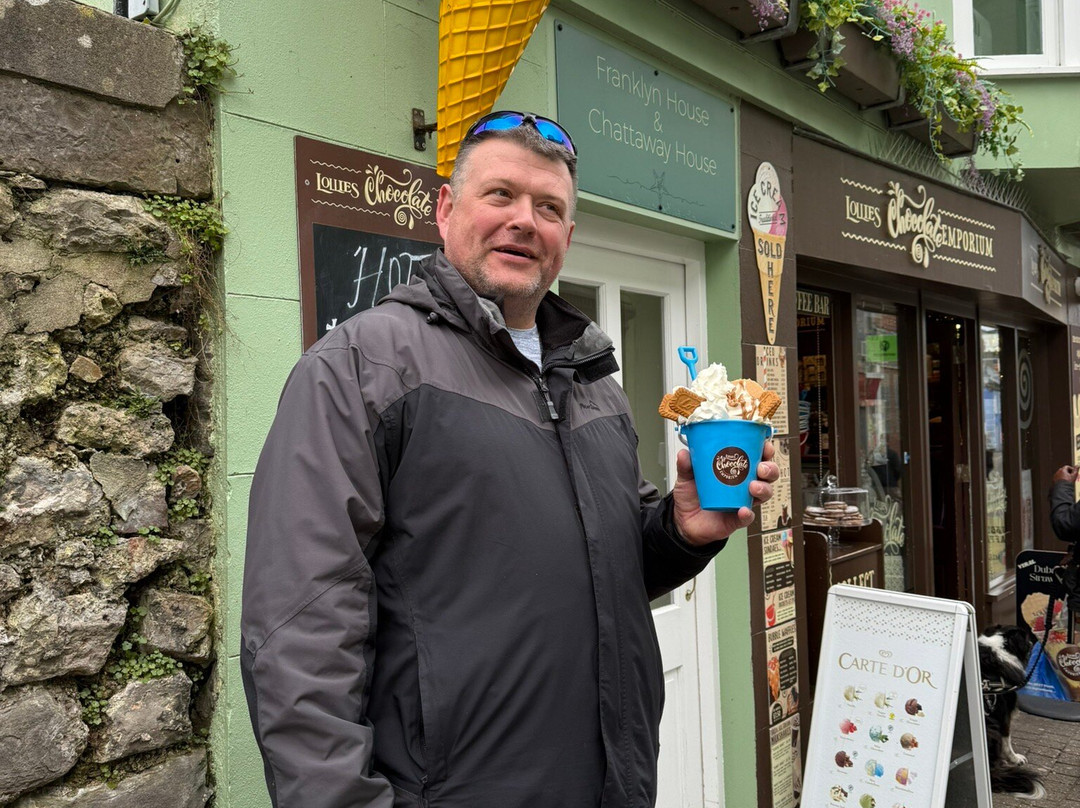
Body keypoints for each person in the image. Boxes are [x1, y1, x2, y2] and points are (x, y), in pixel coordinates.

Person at [241, 110, 779, 808]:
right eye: (500, 195)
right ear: (445, 209)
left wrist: (678, 531)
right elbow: (299, 631)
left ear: (567, 238)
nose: (525, 220)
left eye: (548, 207)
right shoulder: (362, 368)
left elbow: (598, 572)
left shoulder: (595, 386)